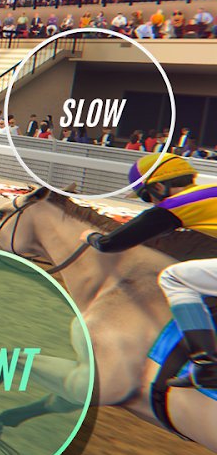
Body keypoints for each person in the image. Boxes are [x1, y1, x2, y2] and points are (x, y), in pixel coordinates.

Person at [86, 154, 217, 389]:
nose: (151, 203)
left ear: (158, 187)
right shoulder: (210, 192)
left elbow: (111, 243)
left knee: (174, 278)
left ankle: (207, 365)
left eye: (146, 197)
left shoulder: (176, 205)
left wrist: (89, 236)